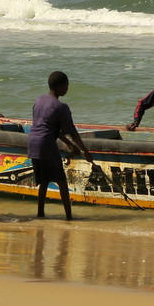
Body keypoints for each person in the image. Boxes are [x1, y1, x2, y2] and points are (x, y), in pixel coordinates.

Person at [27, 71, 94, 220]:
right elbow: (73, 131)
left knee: (44, 181)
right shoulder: (61, 106)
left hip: (33, 143)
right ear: (60, 86)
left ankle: (40, 213)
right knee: (62, 181)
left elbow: (52, 128)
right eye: (67, 85)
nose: (68, 88)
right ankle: (69, 217)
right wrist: (86, 152)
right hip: (46, 145)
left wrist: (69, 144)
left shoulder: (38, 101)